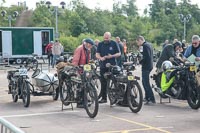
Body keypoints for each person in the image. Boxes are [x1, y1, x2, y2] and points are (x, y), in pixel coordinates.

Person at [96, 32, 121, 103]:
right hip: (103, 65)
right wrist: (100, 58)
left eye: (107, 38)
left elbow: (119, 53)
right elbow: (97, 54)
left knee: (115, 80)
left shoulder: (114, 43)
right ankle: (104, 98)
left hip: (112, 65)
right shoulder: (100, 44)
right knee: (103, 82)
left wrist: (111, 56)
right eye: (105, 38)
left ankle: (116, 96)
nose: (106, 39)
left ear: (110, 37)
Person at [72, 38, 95, 108]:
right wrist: (76, 67)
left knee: (86, 83)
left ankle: (85, 99)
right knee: (80, 85)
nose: (91, 47)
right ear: (87, 44)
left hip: (84, 69)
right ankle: (79, 102)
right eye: (91, 45)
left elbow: (88, 60)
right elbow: (75, 60)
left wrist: (91, 64)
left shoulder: (88, 50)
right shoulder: (79, 49)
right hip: (79, 69)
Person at [136, 35, 155, 104]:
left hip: (146, 66)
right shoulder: (149, 44)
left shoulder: (145, 46)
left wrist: (140, 61)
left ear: (140, 40)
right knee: (144, 82)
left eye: (137, 42)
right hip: (149, 65)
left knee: (146, 83)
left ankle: (151, 98)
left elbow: (147, 56)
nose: (138, 44)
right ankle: (147, 97)